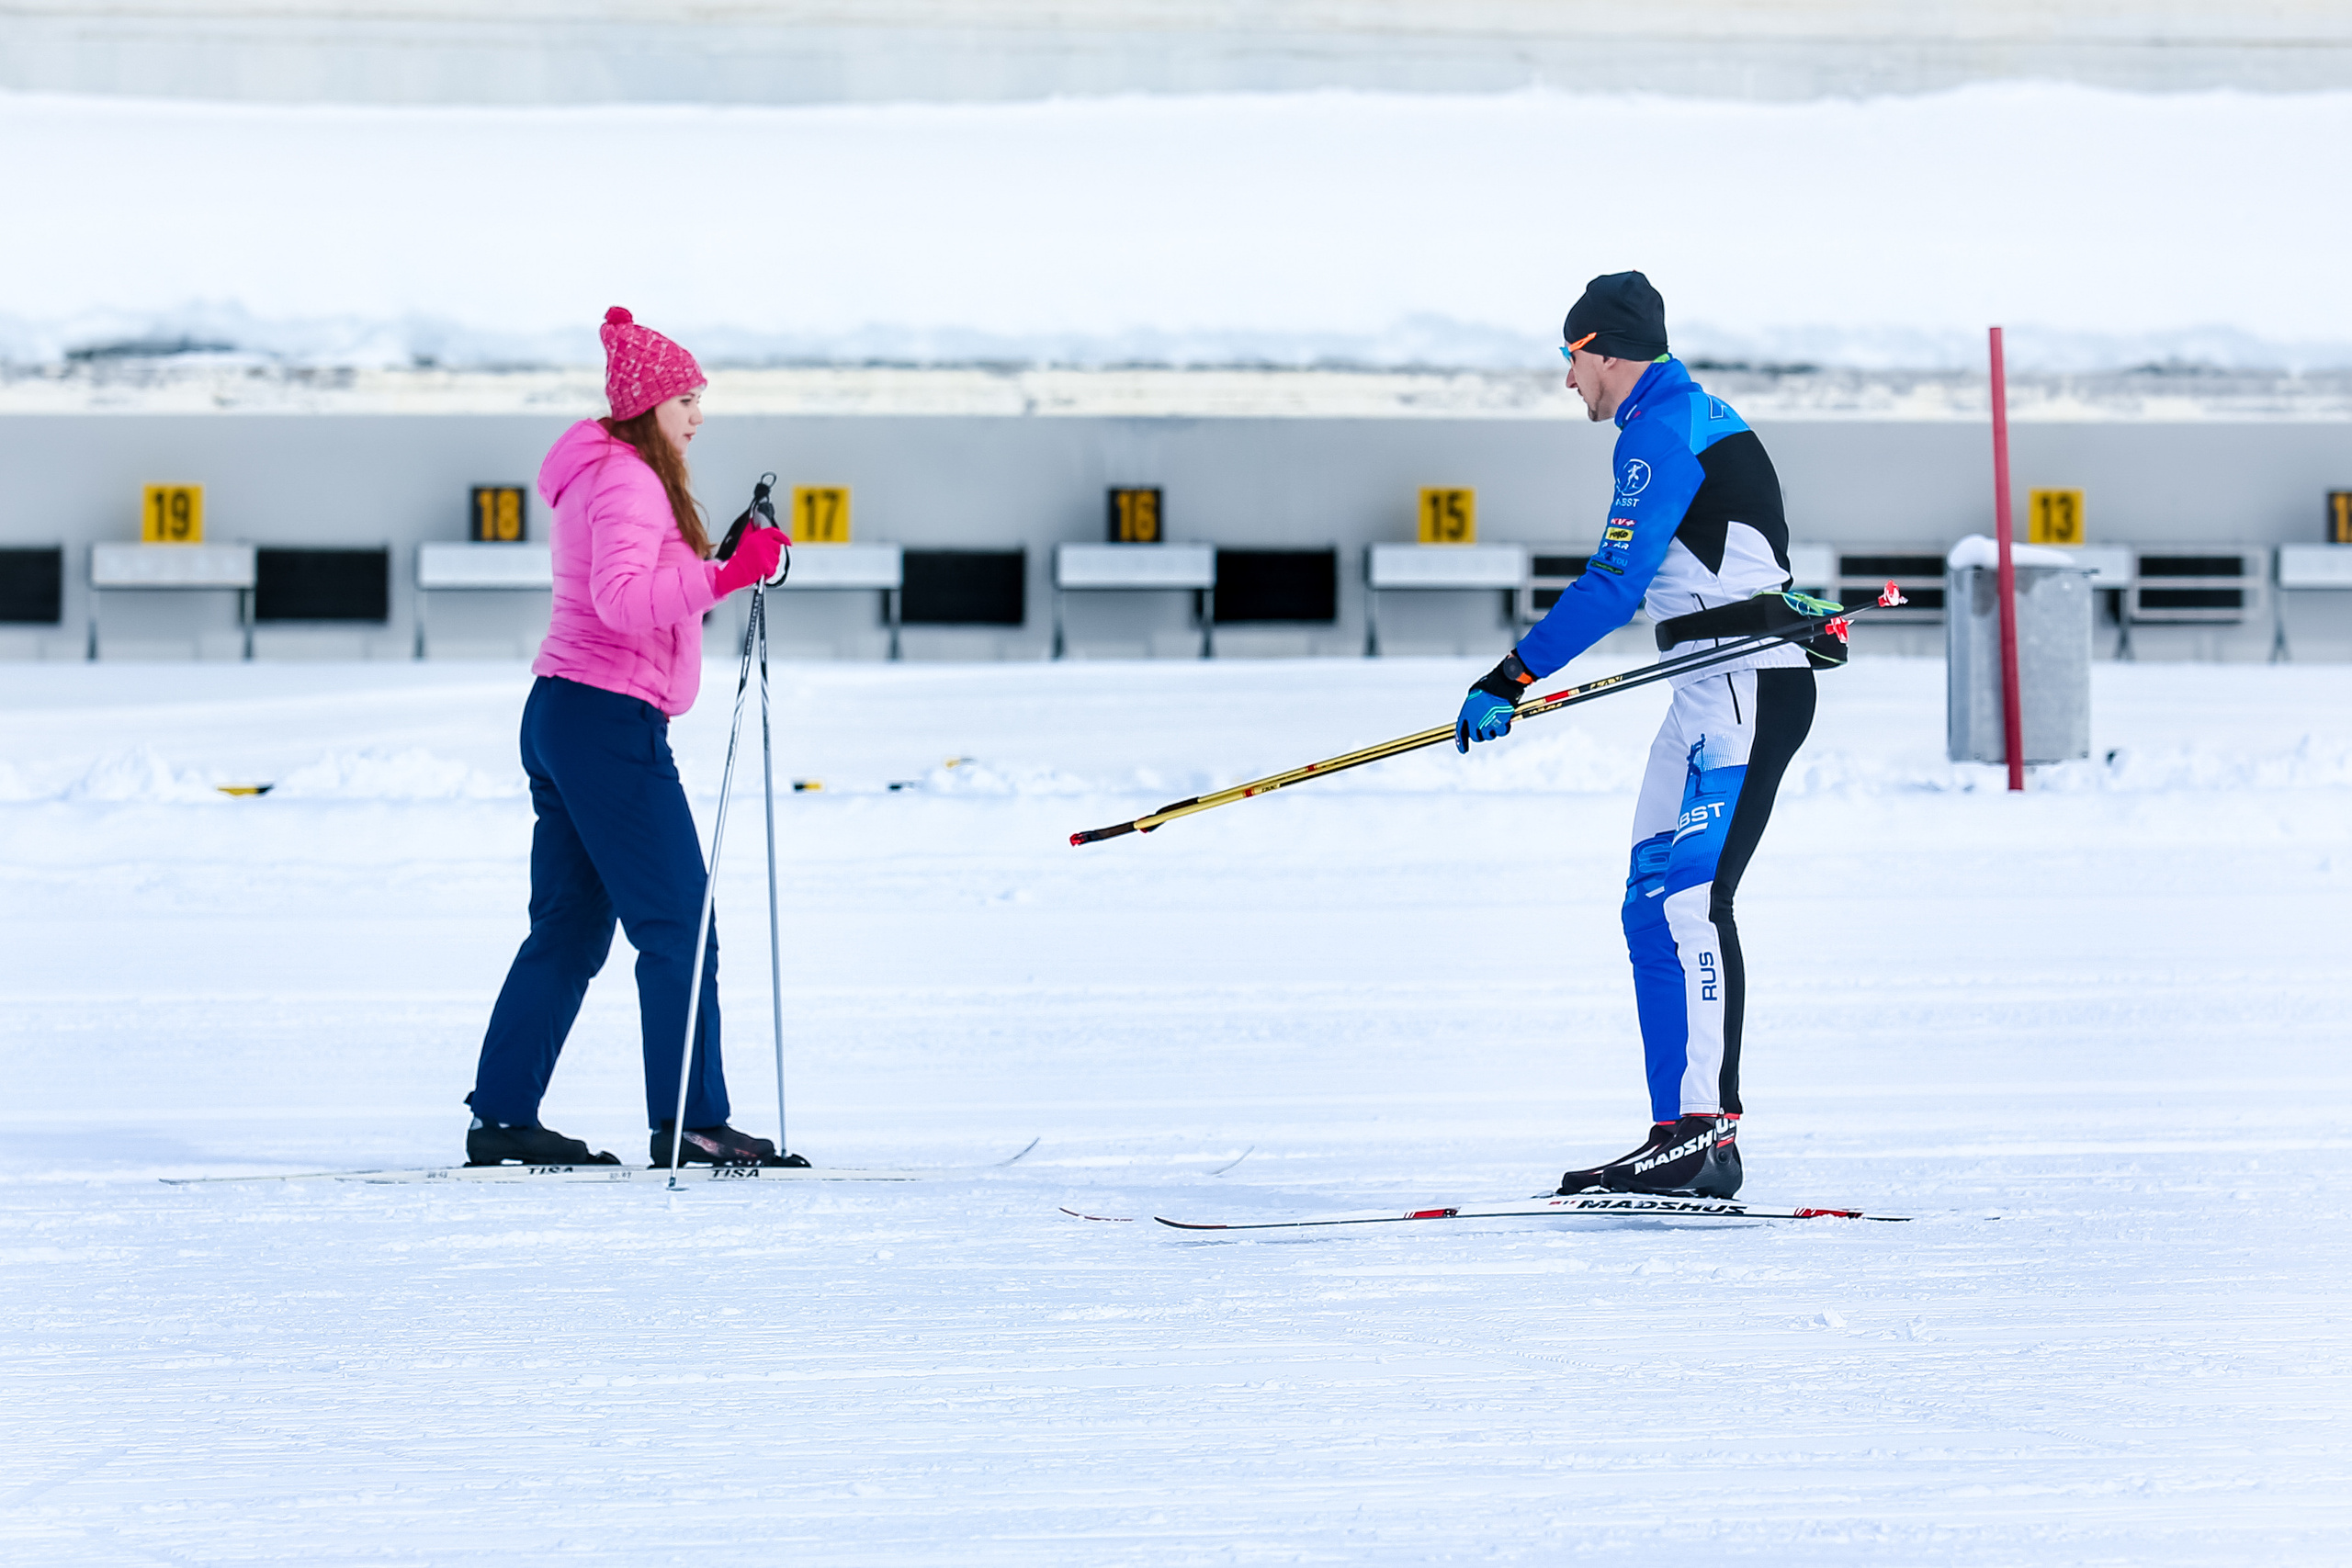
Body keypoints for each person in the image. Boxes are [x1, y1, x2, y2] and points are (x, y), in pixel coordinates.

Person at [1455, 271, 1821, 1200]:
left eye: (1571, 360)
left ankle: (1708, 1133)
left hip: (1740, 687)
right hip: (1704, 689)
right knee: (1645, 904)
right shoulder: (1676, 417)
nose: (1567, 380)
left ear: (1605, 353)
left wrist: (1512, 674)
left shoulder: (1661, 431)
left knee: (1689, 905)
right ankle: (1673, 1131)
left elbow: (1615, 583)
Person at [465, 306, 797, 1168]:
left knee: (571, 930)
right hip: (606, 720)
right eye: (686, 396)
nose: (697, 413)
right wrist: (728, 573)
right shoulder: (627, 481)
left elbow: (644, 580)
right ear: (648, 404)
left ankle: (501, 1119)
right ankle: (692, 1119)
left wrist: (718, 562)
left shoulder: (608, 475)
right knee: (679, 923)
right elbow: (620, 601)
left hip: (565, 713)